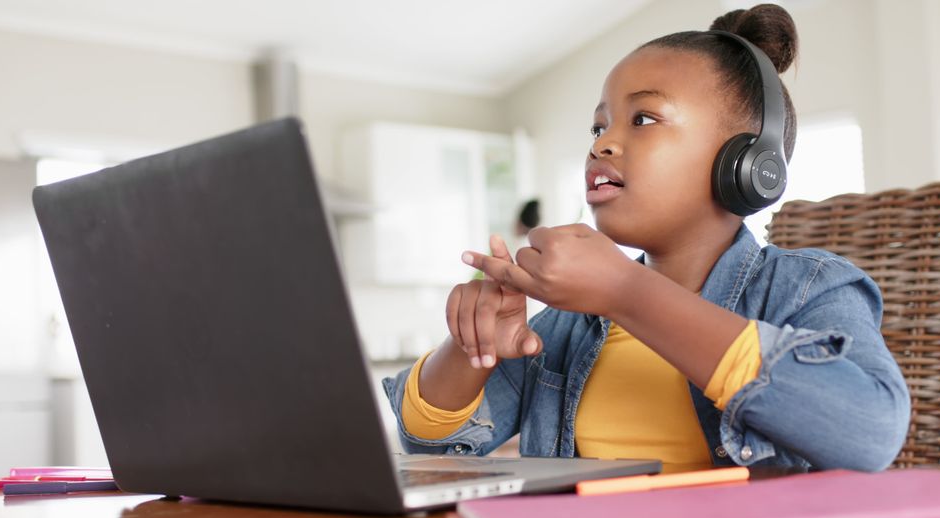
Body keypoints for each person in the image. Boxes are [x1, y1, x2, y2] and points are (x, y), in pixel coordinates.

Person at [383, 4, 909, 471]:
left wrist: (625, 290)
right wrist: (471, 348)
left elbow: (868, 433)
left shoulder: (807, 288)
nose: (604, 143)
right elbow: (429, 441)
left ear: (747, 165)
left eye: (643, 118)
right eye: (598, 127)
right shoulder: (570, 320)